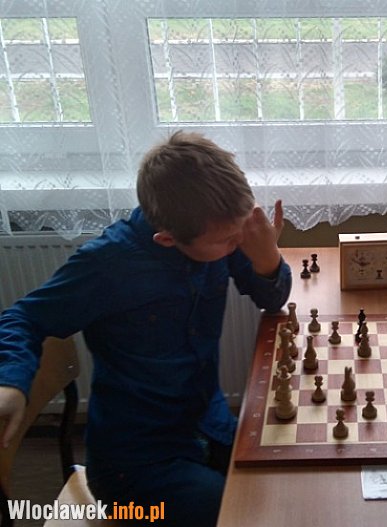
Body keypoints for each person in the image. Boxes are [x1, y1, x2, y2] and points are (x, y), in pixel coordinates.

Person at [0, 131, 292, 526]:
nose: (238, 242)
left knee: (286, 485)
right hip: (134, 468)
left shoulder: (217, 231)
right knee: (240, 517)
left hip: (208, 425)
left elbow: (271, 299)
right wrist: (11, 381)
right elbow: (23, 318)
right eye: (229, 240)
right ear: (167, 239)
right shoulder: (109, 264)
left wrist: (267, 259)